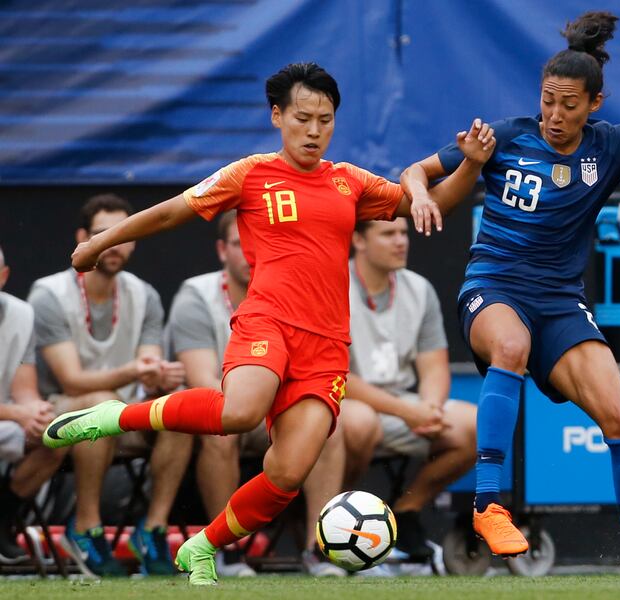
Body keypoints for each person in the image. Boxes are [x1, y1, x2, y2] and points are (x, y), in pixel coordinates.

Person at [42, 62, 495, 585]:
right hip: (268, 321)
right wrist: (102, 242)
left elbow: (433, 203)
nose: (314, 131)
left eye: (325, 120)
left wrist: (471, 164)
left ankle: (203, 547)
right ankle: (117, 416)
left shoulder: (349, 181)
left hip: (326, 347)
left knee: (287, 473)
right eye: (302, 118)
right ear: (277, 116)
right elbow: (170, 212)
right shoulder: (250, 174)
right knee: (239, 411)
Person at [401, 12, 620, 582]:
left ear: (593, 104)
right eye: (547, 101)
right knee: (511, 347)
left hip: (559, 304)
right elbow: (415, 172)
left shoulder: (612, 146)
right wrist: (422, 195)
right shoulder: (506, 136)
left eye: (569, 105)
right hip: (493, 286)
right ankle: (488, 506)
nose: (554, 115)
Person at [167, 210, 347, 577]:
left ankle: (319, 548)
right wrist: (251, 403)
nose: (251, 252)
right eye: (239, 244)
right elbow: (202, 380)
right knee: (223, 428)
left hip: (282, 408)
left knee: (330, 425)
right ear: (222, 250)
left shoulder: (305, 289)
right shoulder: (196, 295)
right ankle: (225, 551)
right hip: (237, 411)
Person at [28, 194, 187, 577]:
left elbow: (148, 365)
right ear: (81, 238)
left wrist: (158, 375)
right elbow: (71, 380)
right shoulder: (49, 294)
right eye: (102, 234)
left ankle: (153, 529)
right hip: (56, 413)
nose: (113, 244)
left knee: (179, 405)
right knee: (99, 404)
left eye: (123, 235)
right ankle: (85, 527)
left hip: (122, 412)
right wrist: (136, 371)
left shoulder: (144, 294)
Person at [341, 218, 476, 563]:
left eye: (404, 233)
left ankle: (405, 512)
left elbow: (433, 366)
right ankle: (340, 523)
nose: (401, 241)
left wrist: (430, 408)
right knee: (359, 422)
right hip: (343, 405)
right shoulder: (332, 285)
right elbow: (335, 376)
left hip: (402, 405)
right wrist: (408, 412)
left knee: (475, 425)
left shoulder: (418, 288)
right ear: (358, 240)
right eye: (388, 234)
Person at [0, 245, 67, 564]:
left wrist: (36, 412)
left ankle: (3, 519)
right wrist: (18, 413)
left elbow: (24, 388)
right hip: (7, 416)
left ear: (3, 277)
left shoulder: (21, 314)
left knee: (56, 436)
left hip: (5, 420)